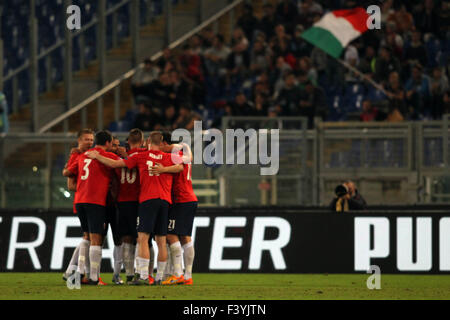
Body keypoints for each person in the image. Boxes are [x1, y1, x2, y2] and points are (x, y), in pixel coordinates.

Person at [85, 131, 184, 285]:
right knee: (161, 240)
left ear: (149, 141)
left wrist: (97, 156)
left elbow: (115, 164)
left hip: (147, 200)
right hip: (165, 201)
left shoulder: (141, 156)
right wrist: (164, 169)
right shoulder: (167, 157)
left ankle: (143, 276)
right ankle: (160, 277)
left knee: (143, 238)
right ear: (162, 142)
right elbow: (180, 167)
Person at [63, 130, 121, 285]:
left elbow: (67, 172)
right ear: (108, 143)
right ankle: (94, 277)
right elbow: (121, 165)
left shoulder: (84, 155)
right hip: (95, 201)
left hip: (80, 200)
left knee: (87, 236)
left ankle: (78, 273)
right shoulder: (108, 156)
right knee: (96, 239)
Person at [153, 135, 198, 285]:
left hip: (181, 199)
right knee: (185, 237)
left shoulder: (174, 155)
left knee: (171, 234)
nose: (158, 149)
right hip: (189, 198)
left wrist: (162, 169)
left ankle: (178, 274)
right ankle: (188, 276)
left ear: (165, 143)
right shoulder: (183, 153)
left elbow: (179, 167)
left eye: (160, 145)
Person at [114, 129, 148, 284]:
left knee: (126, 238)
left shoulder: (118, 158)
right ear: (142, 141)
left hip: (122, 202)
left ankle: (128, 274)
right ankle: (143, 273)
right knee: (142, 238)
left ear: (127, 141)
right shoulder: (144, 155)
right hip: (138, 202)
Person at [62, 129, 95, 283]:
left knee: (87, 237)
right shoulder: (76, 156)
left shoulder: (91, 154)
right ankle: (78, 273)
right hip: (84, 201)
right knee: (88, 237)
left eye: (91, 139)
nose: (89, 142)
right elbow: (70, 184)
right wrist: (90, 187)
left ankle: (71, 271)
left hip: (87, 200)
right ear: (79, 141)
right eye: (86, 139)